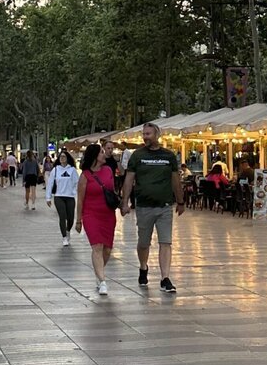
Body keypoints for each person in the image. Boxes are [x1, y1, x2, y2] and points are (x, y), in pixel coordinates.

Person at [121, 121, 184, 294]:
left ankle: (165, 278)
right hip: (143, 206)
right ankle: (143, 266)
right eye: (144, 134)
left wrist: (180, 201)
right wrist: (124, 201)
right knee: (143, 243)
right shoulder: (137, 156)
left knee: (166, 242)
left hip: (164, 206)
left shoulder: (169, 156)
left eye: (148, 134)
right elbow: (129, 179)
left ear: (157, 135)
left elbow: (175, 180)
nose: (145, 137)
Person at [76, 142, 117, 294]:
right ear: (94, 156)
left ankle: (98, 272)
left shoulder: (108, 170)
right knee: (97, 246)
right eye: (101, 152)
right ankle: (102, 281)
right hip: (91, 214)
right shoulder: (85, 176)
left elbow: (111, 191)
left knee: (107, 249)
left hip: (108, 214)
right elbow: (80, 199)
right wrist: (78, 220)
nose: (104, 154)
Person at [46, 150, 79, 246]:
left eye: (64, 156)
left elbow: (77, 183)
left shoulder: (72, 170)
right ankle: (64, 237)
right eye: (60, 156)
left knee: (71, 218)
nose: (62, 158)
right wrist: (48, 197)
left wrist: (76, 193)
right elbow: (50, 184)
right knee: (62, 216)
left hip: (70, 197)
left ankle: (68, 231)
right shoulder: (55, 170)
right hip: (59, 196)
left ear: (67, 158)